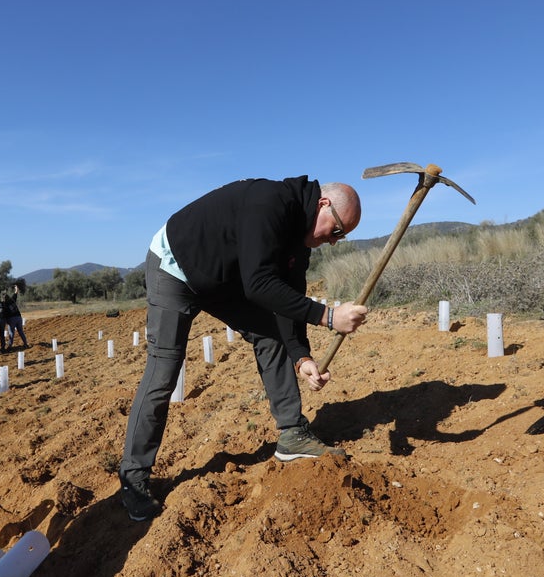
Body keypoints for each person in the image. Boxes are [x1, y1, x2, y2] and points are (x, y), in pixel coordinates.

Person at [117, 175, 369, 521]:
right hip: (175, 267)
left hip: (221, 279)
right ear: (323, 205)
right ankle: (133, 478)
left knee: (271, 334)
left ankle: (292, 434)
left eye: (341, 238)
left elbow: (287, 297)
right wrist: (327, 316)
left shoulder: (300, 239)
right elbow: (259, 285)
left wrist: (302, 356)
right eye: (337, 231)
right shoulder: (269, 203)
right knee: (164, 370)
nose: (333, 242)